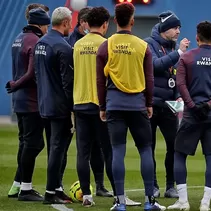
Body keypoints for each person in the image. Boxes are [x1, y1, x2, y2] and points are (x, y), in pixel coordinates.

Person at [96, 2, 165, 211]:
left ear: (115, 20)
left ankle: (119, 202)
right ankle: (149, 202)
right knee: (145, 150)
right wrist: (149, 102)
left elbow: (100, 80)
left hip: (114, 105)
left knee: (118, 150)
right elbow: (150, 78)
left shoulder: (105, 45)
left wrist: (102, 106)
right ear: (132, 21)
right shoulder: (142, 46)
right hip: (138, 105)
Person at [167, 21, 211, 211]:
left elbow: (181, 85)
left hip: (191, 116)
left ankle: (183, 201)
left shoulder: (187, 58)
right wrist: (210, 104)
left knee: (179, 155)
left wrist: (192, 106)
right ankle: (205, 203)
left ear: (197, 38)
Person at [5, 8, 50, 202]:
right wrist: (16, 84)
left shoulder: (18, 38)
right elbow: (32, 73)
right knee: (34, 143)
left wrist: (15, 85)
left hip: (19, 101)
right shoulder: (35, 41)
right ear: (40, 24)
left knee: (25, 142)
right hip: (31, 101)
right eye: (46, 25)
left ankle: (18, 183)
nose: (47, 29)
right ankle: (26, 188)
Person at [144, 10, 189, 198]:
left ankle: (171, 186)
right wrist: (179, 53)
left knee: (174, 145)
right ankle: (152, 185)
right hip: (151, 103)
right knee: (149, 146)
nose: (178, 31)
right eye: (175, 28)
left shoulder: (173, 47)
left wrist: (178, 94)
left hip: (171, 103)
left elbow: (177, 74)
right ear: (164, 29)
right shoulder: (148, 44)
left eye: (179, 28)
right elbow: (155, 65)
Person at [73, 6, 115, 207]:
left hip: (79, 104)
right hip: (101, 106)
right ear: (105, 24)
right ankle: (118, 195)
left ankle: (87, 197)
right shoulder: (107, 45)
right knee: (109, 152)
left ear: (87, 24)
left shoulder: (77, 45)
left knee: (83, 152)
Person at [34, 7, 74, 204]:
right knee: (58, 148)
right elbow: (68, 83)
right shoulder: (63, 47)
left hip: (44, 104)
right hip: (59, 107)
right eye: (71, 22)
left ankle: (56, 188)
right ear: (65, 23)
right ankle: (51, 192)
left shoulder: (41, 43)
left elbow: (37, 75)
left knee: (54, 148)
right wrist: (72, 108)